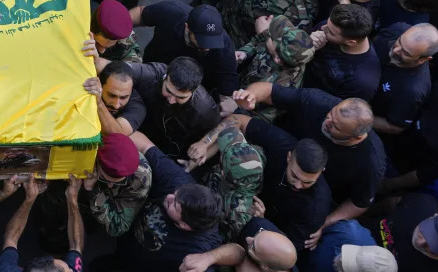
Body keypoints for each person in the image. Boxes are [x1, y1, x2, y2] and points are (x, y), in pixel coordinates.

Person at [232, 84, 386, 249]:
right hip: (279, 155)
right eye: (330, 115)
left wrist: (324, 223)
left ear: (356, 137)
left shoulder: (371, 163)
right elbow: (270, 91)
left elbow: (359, 202)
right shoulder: (317, 101)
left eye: (336, 127)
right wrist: (250, 95)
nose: (327, 122)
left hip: (309, 199)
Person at [112, 131, 223, 266]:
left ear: (185, 225)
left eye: (174, 204)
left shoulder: (198, 247)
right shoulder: (178, 181)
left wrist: (210, 258)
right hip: (123, 239)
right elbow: (140, 142)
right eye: (176, 194)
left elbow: (238, 252)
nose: (170, 196)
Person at [370, 22, 438, 135]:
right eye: (400, 41)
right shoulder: (398, 28)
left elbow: (394, 127)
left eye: (406, 53)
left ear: (423, 59)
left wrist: (358, 118)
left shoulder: (412, 91)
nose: (396, 50)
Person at [303, 4, 380, 101]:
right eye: (327, 22)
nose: (323, 28)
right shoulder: (331, 27)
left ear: (350, 42)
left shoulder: (362, 81)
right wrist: (306, 46)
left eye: (330, 32)